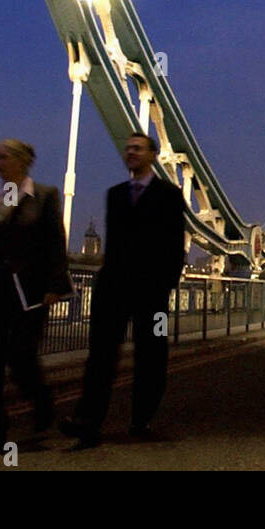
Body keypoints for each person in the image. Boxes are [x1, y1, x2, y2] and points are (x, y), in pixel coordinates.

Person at [60, 132, 187, 447]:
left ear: (153, 155)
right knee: (100, 357)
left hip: (153, 293)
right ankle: (88, 422)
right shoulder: (114, 194)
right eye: (127, 148)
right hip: (112, 289)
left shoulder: (170, 195)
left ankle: (141, 418)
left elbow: (174, 247)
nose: (130, 153)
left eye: (138, 148)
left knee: (152, 357)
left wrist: (165, 285)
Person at [0, 139, 71, 453]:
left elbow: (55, 241)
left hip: (30, 292)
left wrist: (55, 285)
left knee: (22, 357)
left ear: (23, 161)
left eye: (4, 157)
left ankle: (41, 401)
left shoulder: (45, 196)